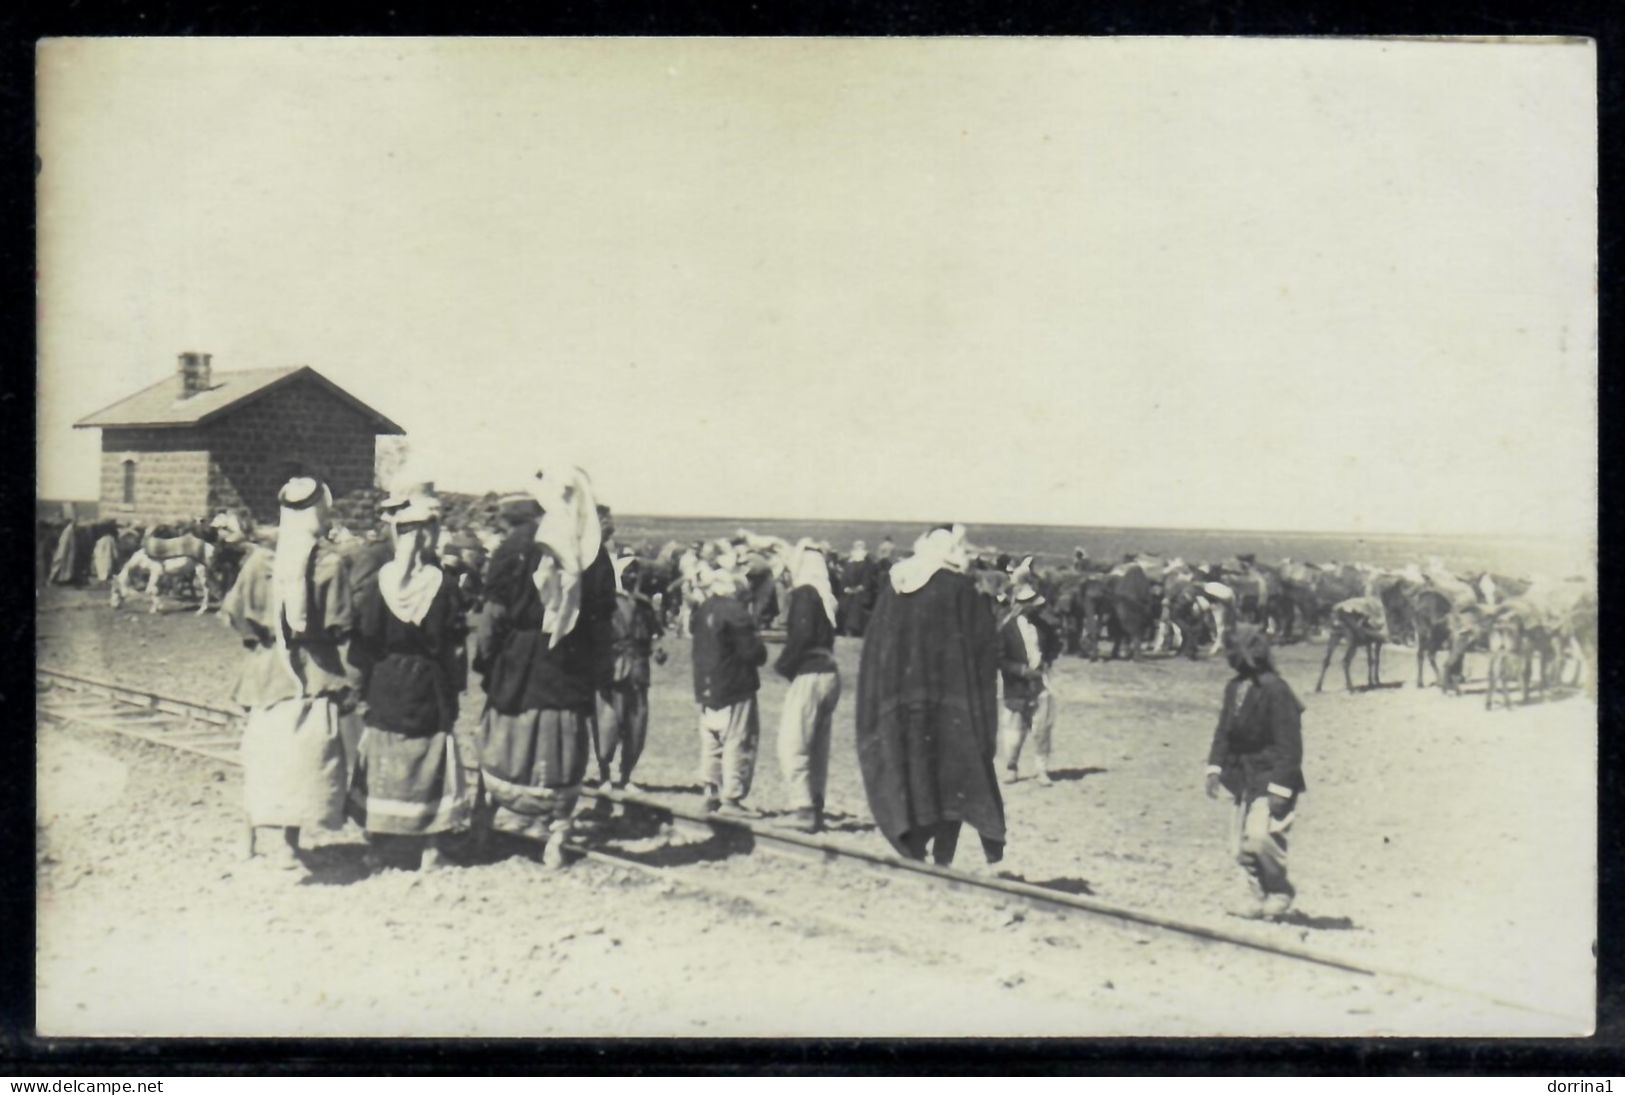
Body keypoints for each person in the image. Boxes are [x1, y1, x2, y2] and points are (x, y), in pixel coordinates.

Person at [474, 467, 614, 868]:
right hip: (568, 666)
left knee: (504, 742)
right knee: (562, 748)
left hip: (518, 663)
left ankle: (483, 822)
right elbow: (602, 627)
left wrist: (488, 662)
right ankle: (557, 836)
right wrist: (596, 673)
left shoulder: (517, 545)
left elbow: (493, 618)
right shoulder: (594, 555)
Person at [220, 478, 356, 872]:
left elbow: (235, 613)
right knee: (301, 759)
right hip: (310, 672)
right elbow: (340, 623)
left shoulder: (260, 561)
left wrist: (259, 639)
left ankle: (246, 840)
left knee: (260, 754)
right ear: (319, 512)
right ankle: (289, 844)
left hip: (266, 672)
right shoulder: (328, 563)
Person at [855, 524, 1005, 870]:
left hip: (900, 702)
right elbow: (983, 648)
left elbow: (876, 647)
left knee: (914, 772)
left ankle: (916, 850)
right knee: (953, 778)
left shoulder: (897, 585)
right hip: (950, 704)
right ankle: (942, 859)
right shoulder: (959, 589)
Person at [346, 481, 469, 870]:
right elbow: (455, 644)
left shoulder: (381, 585)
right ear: (428, 536)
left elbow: (364, 638)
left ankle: (378, 846)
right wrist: (454, 686)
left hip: (387, 679)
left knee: (385, 753)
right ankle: (431, 847)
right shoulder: (444, 585)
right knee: (431, 754)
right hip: (429, 680)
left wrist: (363, 682)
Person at [1204, 625, 1307, 920]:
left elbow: (1290, 745)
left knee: (1261, 838)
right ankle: (1258, 896)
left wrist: (1280, 788)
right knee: (1239, 846)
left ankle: (1279, 890)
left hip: (1271, 775)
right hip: (1243, 777)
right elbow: (1223, 730)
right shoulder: (1234, 688)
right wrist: (1214, 767)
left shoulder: (1276, 690)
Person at [773, 539, 842, 832]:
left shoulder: (804, 593)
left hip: (810, 673)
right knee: (818, 747)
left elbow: (800, 637)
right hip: (830, 672)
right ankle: (815, 804)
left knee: (793, 744)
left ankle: (802, 808)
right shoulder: (826, 596)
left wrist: (783, 666)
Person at [691, 566, 767, 817]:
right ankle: (732, 798)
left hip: (706, 686)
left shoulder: (704, 609)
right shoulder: (736, 613)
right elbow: (754, 654)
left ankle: (710, 792)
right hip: (734, 686)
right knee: (738, 741)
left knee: (712, 741)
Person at [593, 554, 663, 793]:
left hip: (638, 671)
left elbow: (655, 637)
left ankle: (626, 775)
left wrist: (657, 652)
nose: (631, 577)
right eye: (627, 573)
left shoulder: (644, 606)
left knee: (636, 725)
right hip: (612, 670)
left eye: (635, 573)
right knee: (608, 723)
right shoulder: (604, 604)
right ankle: (604, 775)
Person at [997, 584, 1060, 785]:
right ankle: (1011, 766)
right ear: (1021, 606)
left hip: (1040, 684)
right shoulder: (1007, 629)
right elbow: (999, 658)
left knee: (1042, 728)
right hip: (1016, 686)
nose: (1035, 609)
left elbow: (1055, 646)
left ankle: (1042, 769)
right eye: (1031, 606)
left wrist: (1046, 662)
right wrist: (1022, 671)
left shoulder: (1044, 627)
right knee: (1014, 730)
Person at [838, 541, 874, 636]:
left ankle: (852, 629)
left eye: (860, 547)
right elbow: (844, 580)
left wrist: (859, 588)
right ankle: (846, 629)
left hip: (862, 591)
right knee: (846, 601)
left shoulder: (867, 564)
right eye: (857, 547)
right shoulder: (849, 564)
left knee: (856, 601)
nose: (858, 548)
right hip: (848, 591)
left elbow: (867, 581)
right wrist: (846, 589)